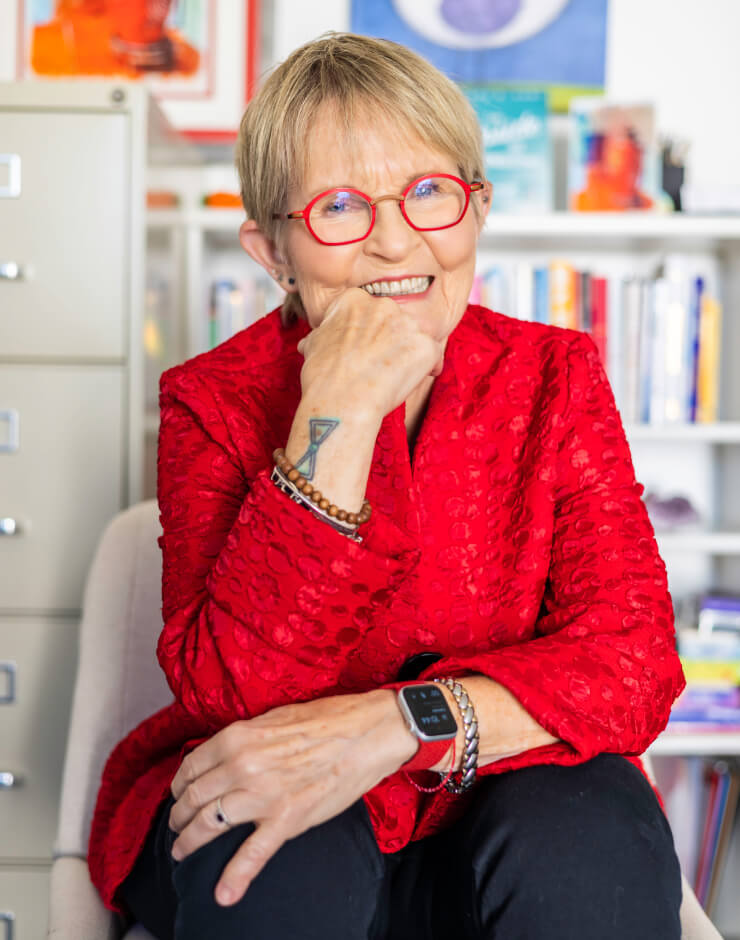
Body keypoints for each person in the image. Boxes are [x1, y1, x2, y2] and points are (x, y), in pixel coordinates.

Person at [88, 32, 686, 940]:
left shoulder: (553, 374)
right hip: (294, 819)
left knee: (591, 832)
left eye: (431, 193)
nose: (398, 240)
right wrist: (336, 412)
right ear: (272, 249)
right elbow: (234, 696)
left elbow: (633, 663)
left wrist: (399, 724)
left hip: (499, 795)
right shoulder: (211, 400)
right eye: (339, 207)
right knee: (270, 849)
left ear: (476, 210)